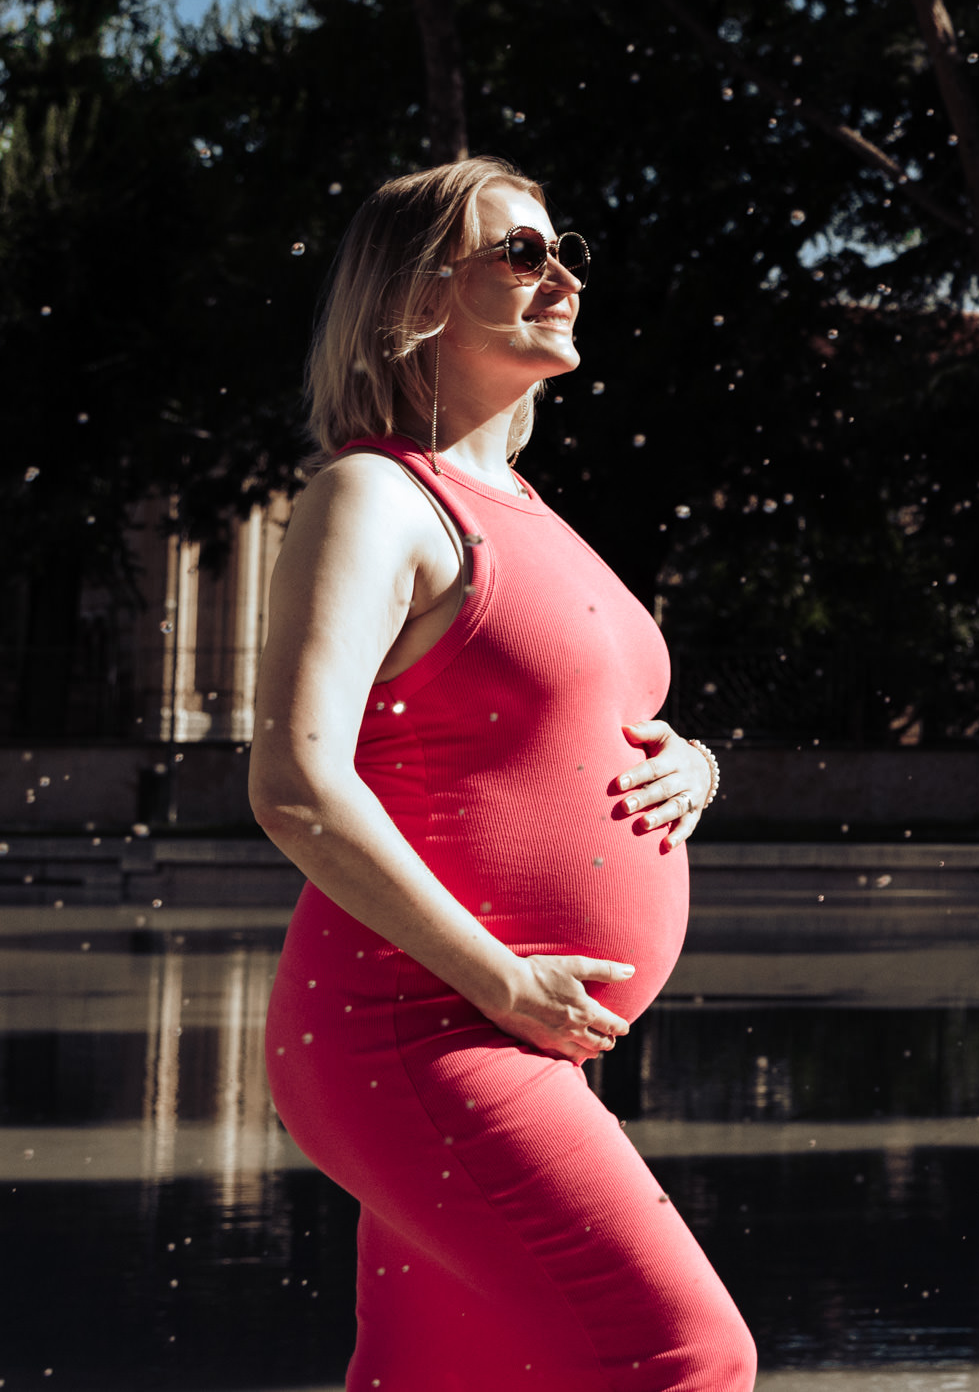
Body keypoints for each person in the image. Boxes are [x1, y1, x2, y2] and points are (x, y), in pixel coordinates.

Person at [249, 156, 756, 1392]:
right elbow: (299, 783)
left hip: (515, 1033)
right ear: (413, 301)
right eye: (521, 254)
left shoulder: (523, 504)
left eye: (561, 246)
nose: (564, 275)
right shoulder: (373, 497)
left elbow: (575, 712)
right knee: (684, 1356)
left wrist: (694, 765)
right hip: (420, 1024)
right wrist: (503, 980)